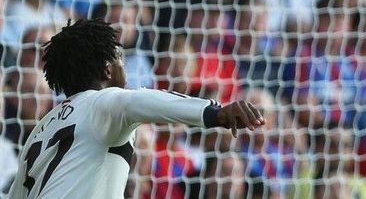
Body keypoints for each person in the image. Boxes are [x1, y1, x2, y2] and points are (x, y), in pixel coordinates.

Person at [8, 18, 265, 198]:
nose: (125, 69)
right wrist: (215, 112)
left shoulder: (40, 131)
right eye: (120, 59)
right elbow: (141, 100)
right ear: (107, 69)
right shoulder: (105, 101)